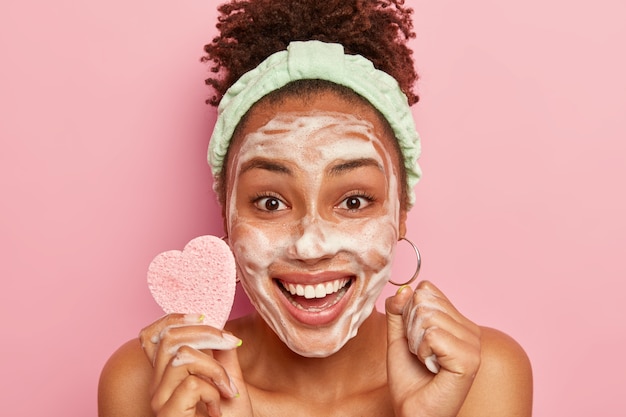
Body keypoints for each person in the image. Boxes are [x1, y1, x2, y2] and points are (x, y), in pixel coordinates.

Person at [98, 1, 533, 416]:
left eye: (353, 201)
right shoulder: (147, 382)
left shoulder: (479, 376)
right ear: (227, 215)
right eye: (270, 202)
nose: (310, 245)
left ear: (401, 213)